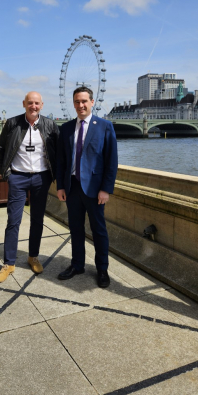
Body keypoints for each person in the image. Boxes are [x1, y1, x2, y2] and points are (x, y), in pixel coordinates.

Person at [0, 91, 59, 283]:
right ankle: (9, 263)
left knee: (37, 220)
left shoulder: (49, 125)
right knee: (13, 220)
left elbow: (58, 151)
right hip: (18, 177)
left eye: (37, 103)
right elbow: (1, 149)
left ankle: (33, 257)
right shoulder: (12, 123)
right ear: (24, 104)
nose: (34, 106)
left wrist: (54, 175)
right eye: (30, 103)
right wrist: (7, 174)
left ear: (42, 105)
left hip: (41, 178)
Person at [56, 86, 118, 288]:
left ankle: (102, 269)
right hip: (72, 186)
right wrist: (60, 186)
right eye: (77, 101)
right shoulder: (65, 129)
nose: (80, 105)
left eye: (84, 101)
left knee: (99, 230)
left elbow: (111, 161)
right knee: (75, 229)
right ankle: (77, 264)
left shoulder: (104, 126)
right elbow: (62, 161)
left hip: (94, 188)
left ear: (92, 102)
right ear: (73, 103)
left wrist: (106, 189)